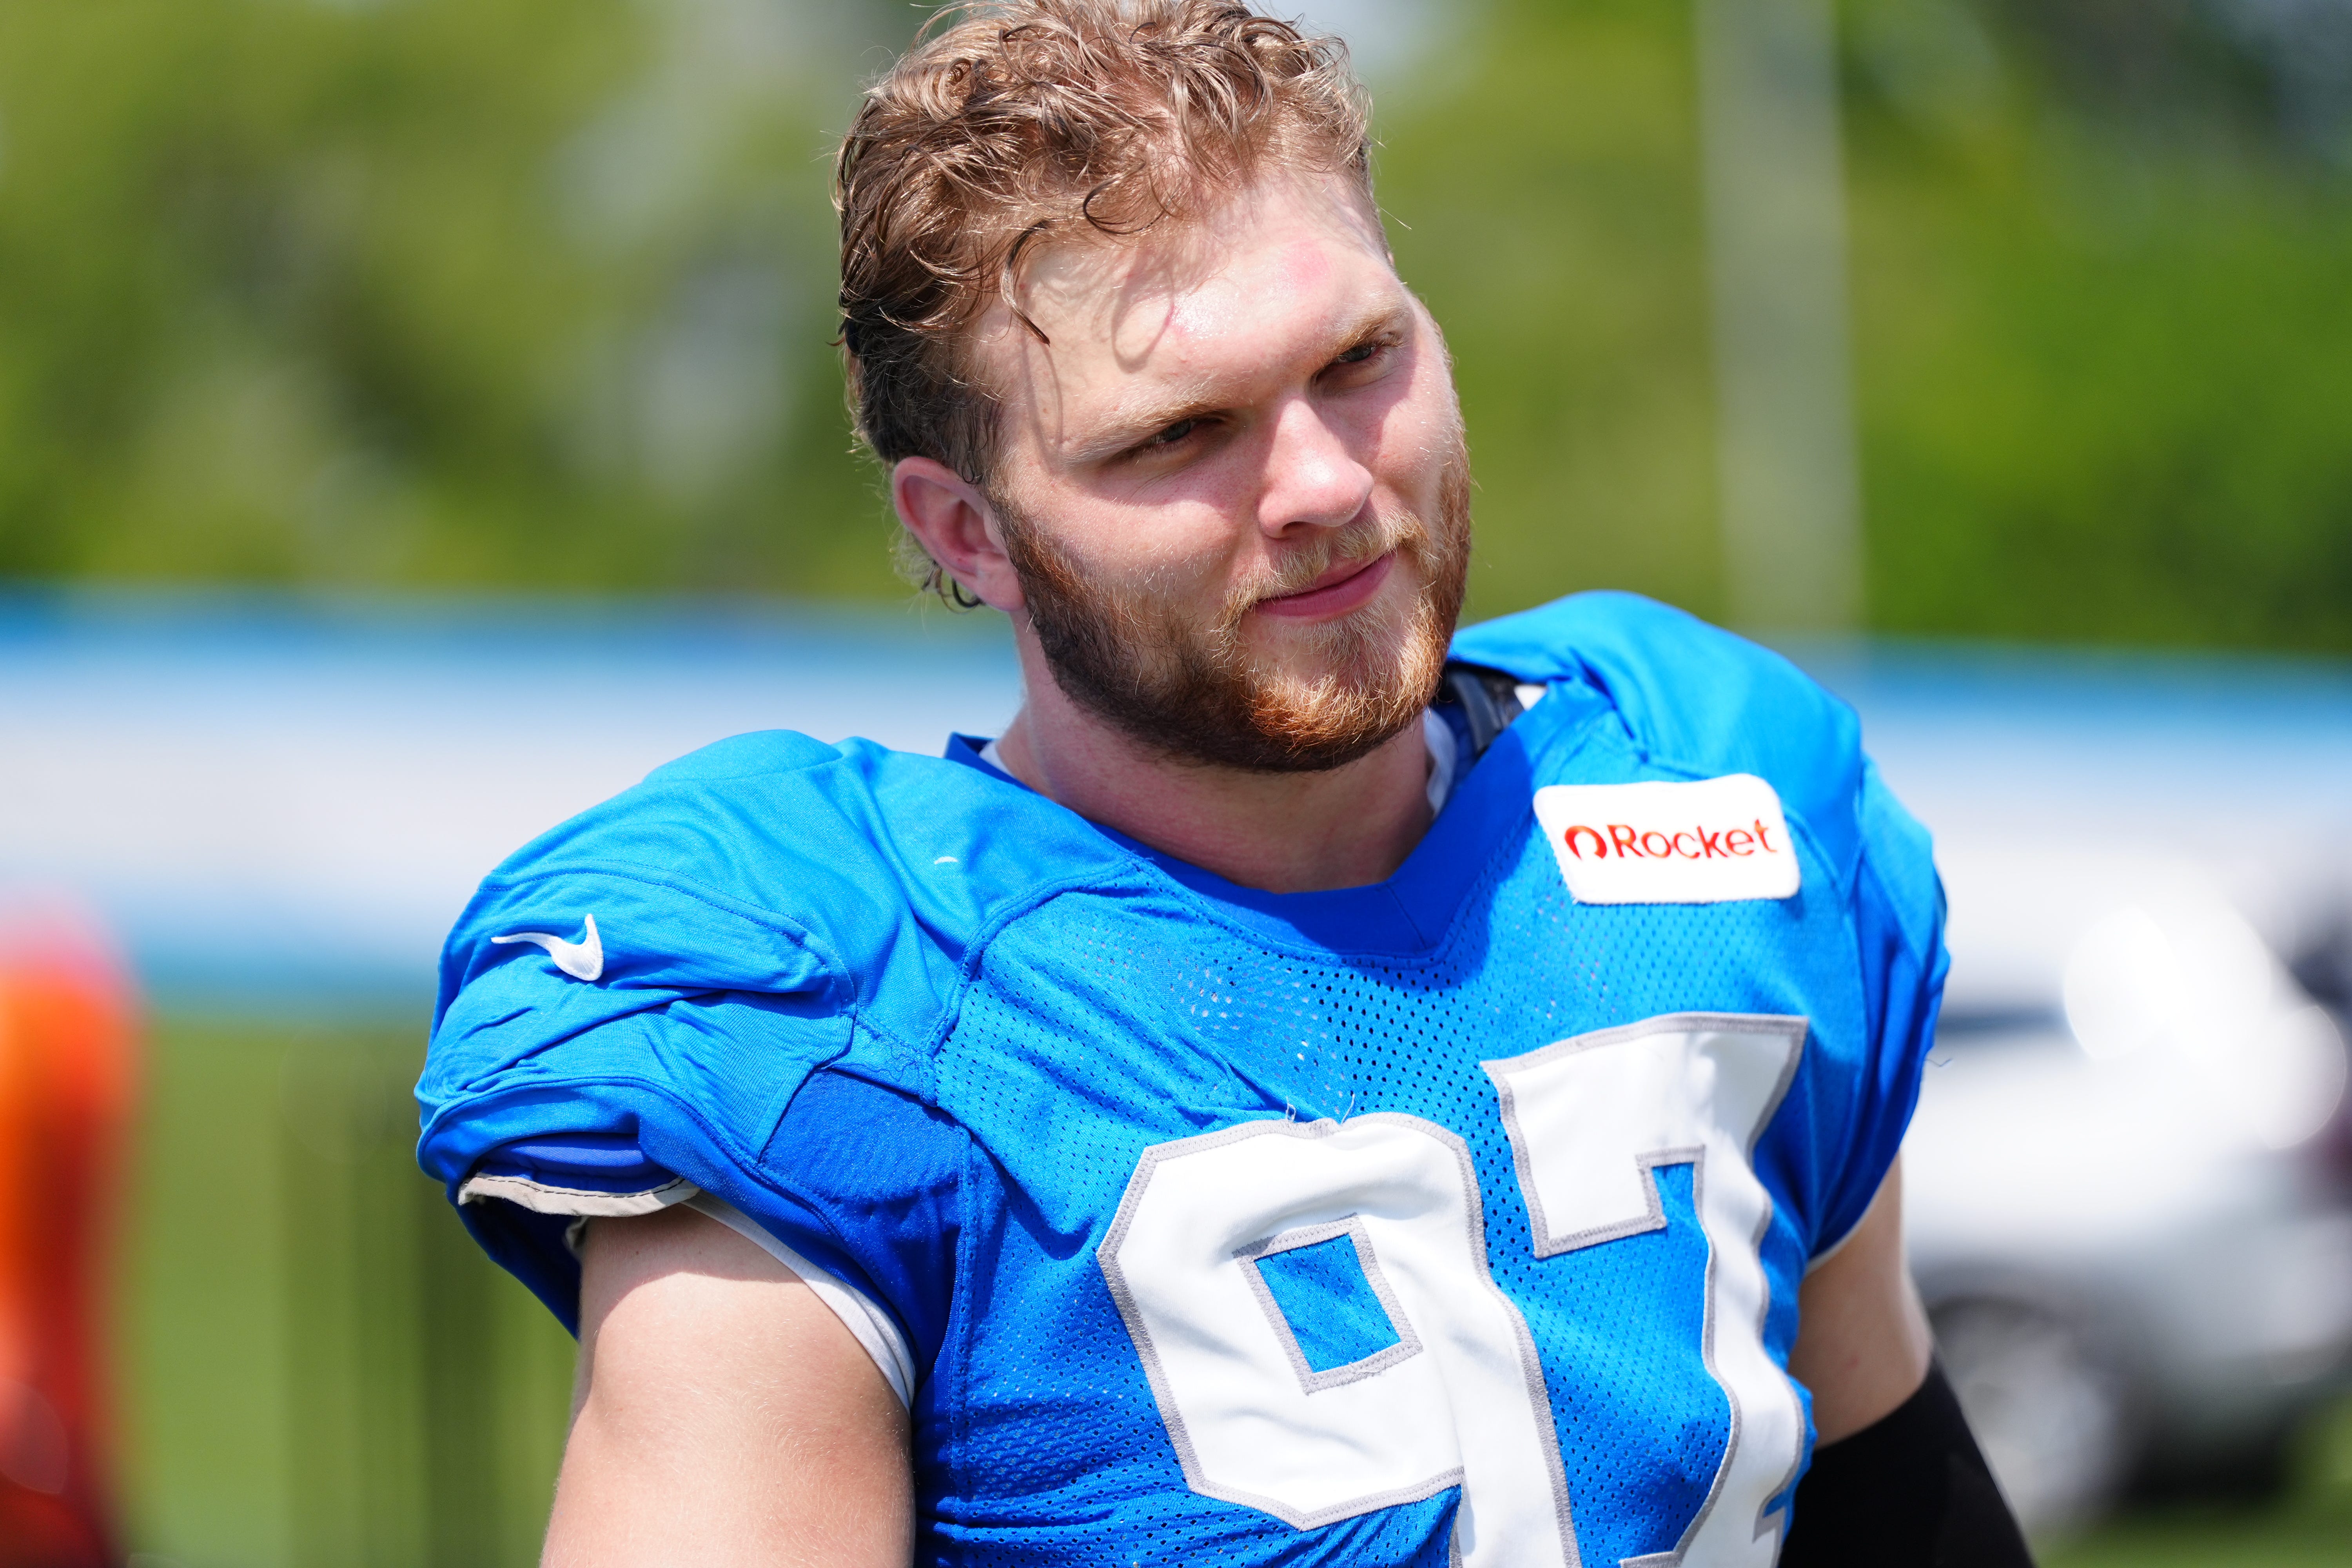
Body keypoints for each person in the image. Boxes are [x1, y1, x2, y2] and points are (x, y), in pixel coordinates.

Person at [417, 4, 2033, 1563]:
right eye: (1179, 434)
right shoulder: (840, 1017)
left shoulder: (1710, 801)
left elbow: (1890, 1494)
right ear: (968, 532)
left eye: (1360, 356)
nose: (1325, 482)